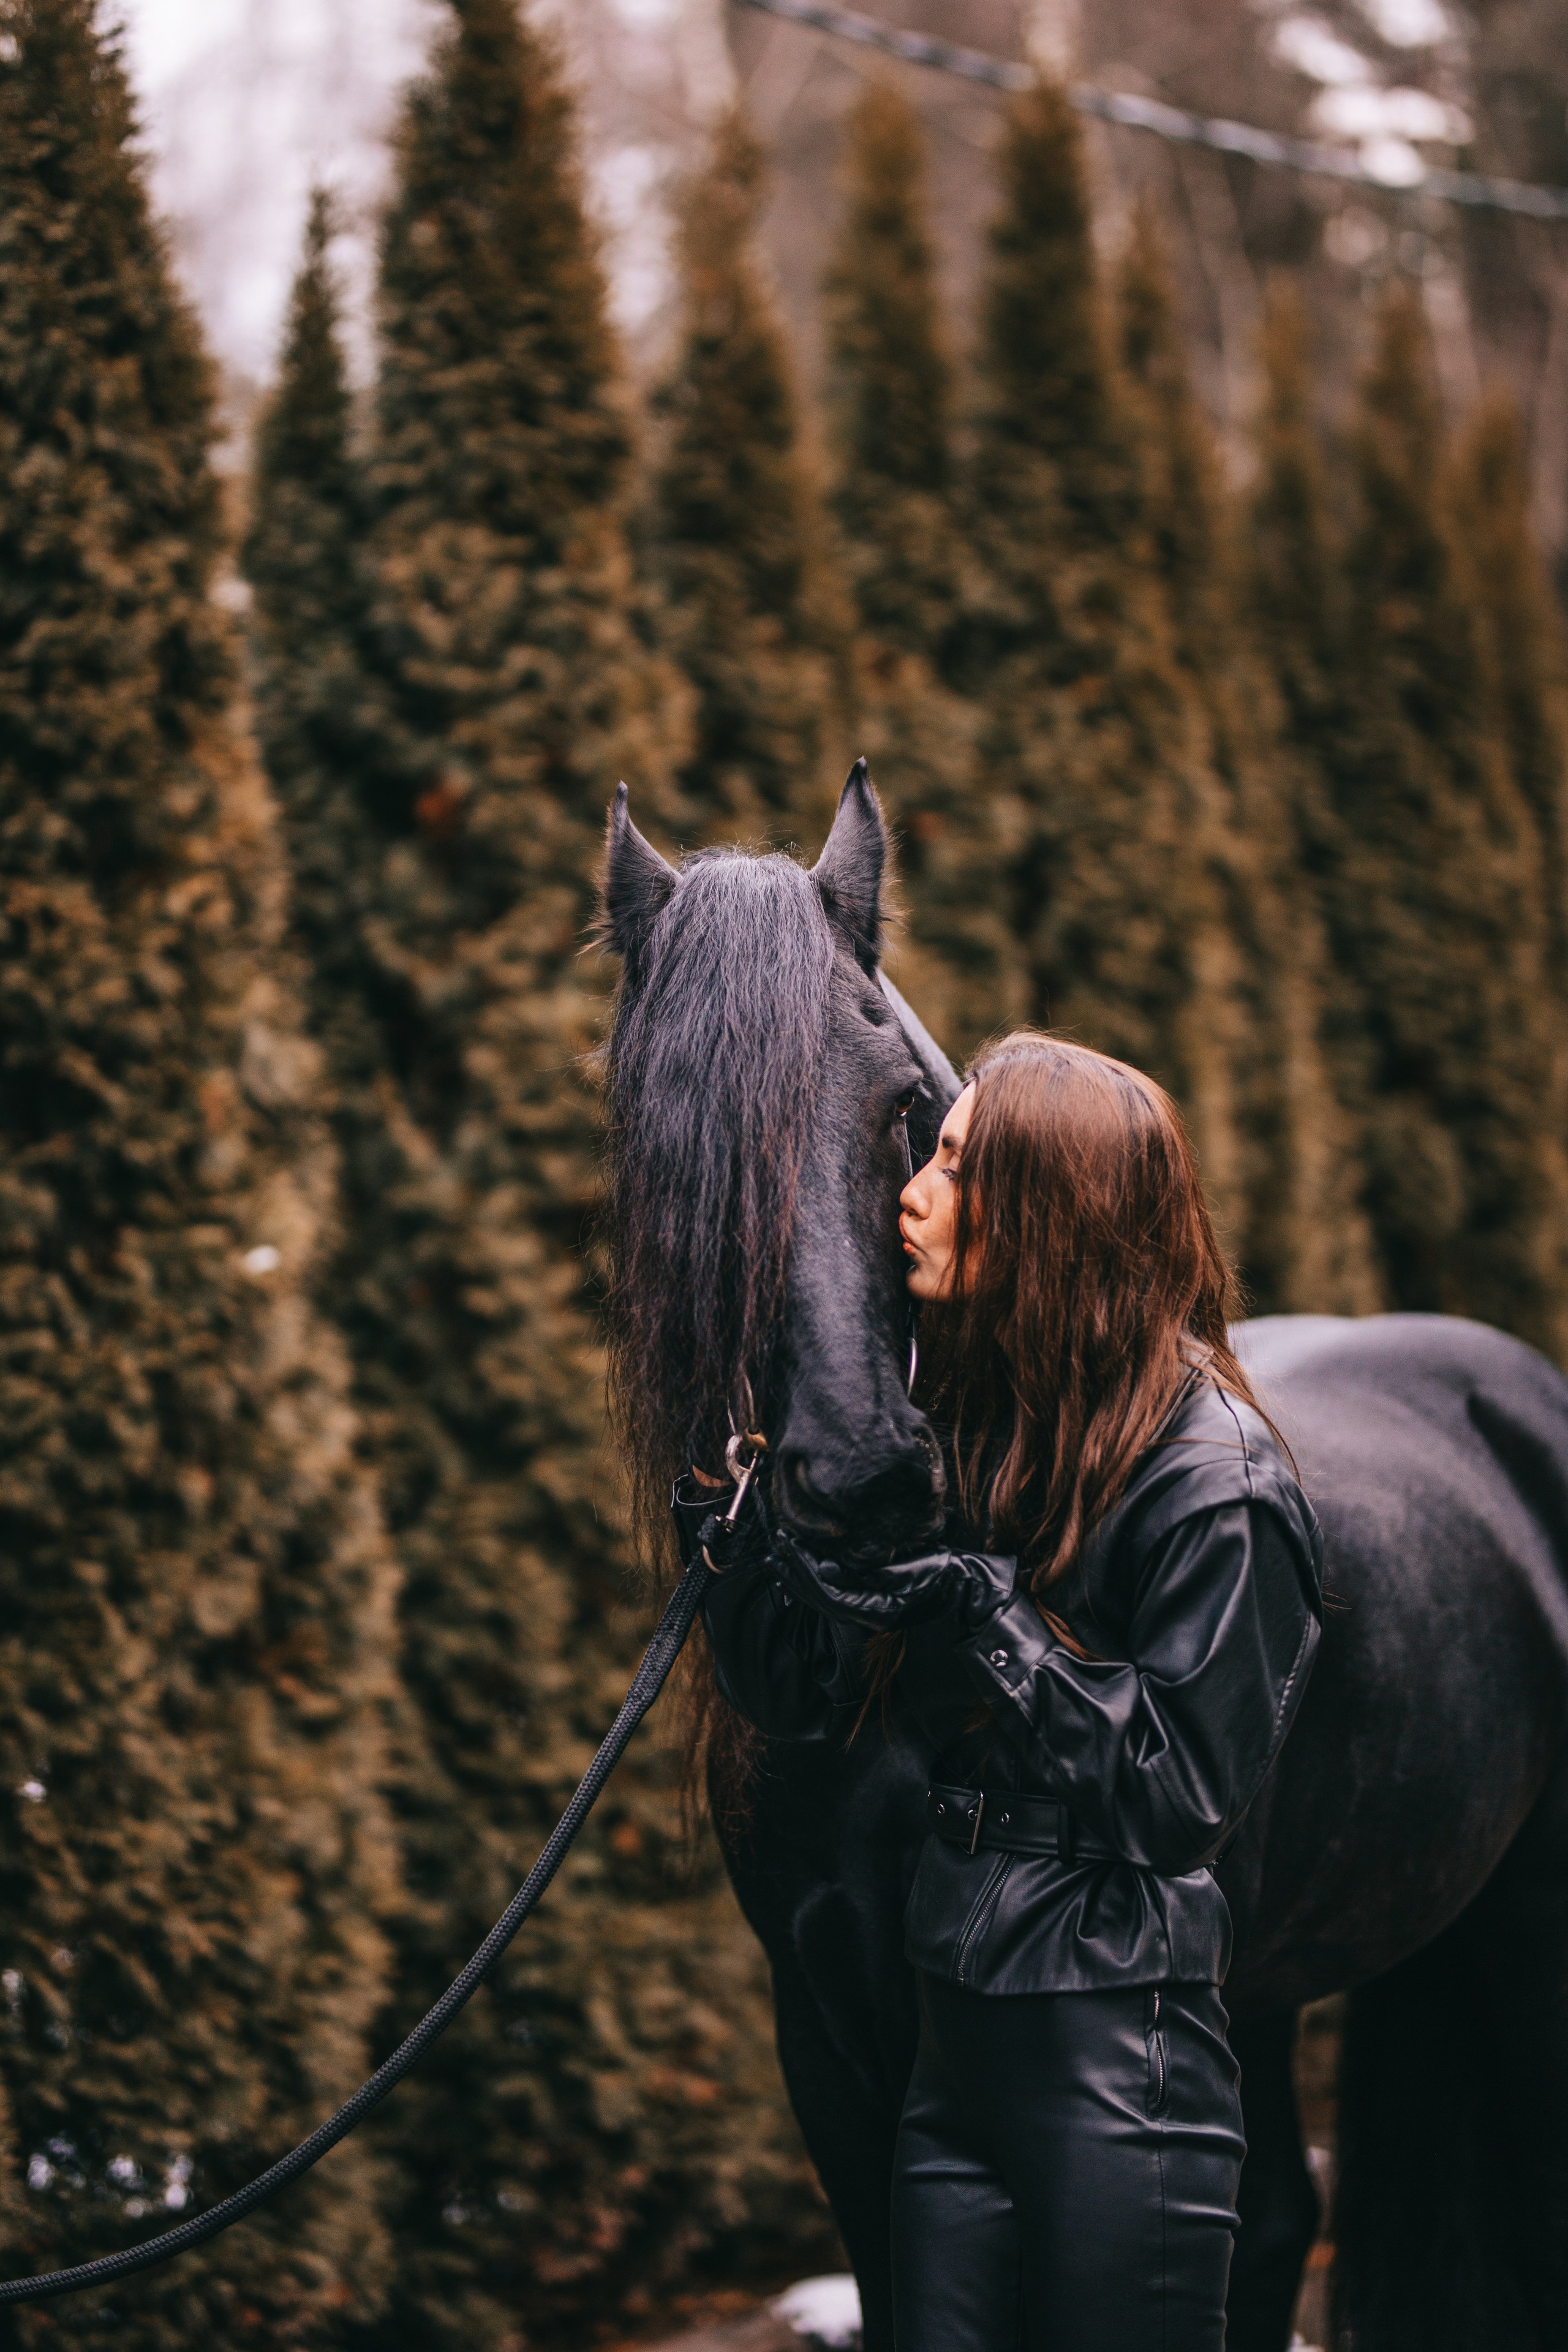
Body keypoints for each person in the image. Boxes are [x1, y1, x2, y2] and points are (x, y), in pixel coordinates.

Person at [678, 1033, 1323, 2352]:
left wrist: (986, 1613)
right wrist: (728, 1521)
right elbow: (803, 1697)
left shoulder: (1218, 1485)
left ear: (1048, 1219)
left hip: (1114, 2073)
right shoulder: (976, 1441)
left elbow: (1176, 1800)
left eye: (956, 1169)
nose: (908, 1189)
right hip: (950, 2054)